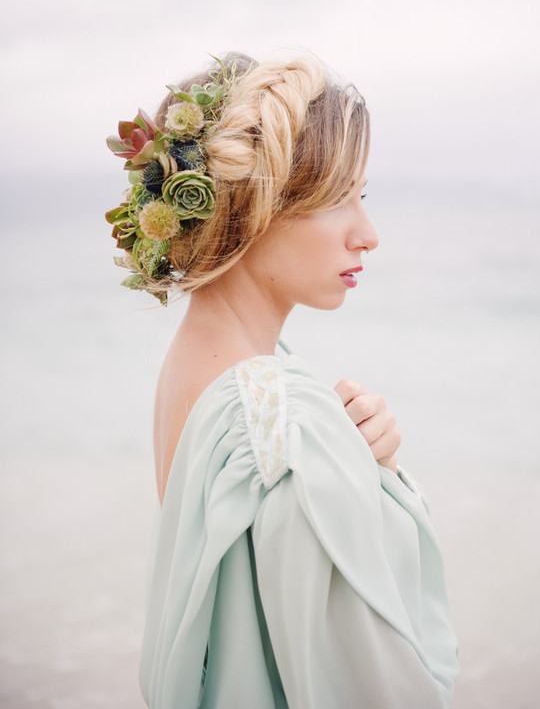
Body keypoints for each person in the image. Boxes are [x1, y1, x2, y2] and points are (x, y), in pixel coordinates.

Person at [105, 52, 460, 708]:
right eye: (337, 199)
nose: (368, 235)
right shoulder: (282, 427)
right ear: (251, 208)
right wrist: (357, 474)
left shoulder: (200, 369)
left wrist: (360, 463)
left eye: (364, 197)